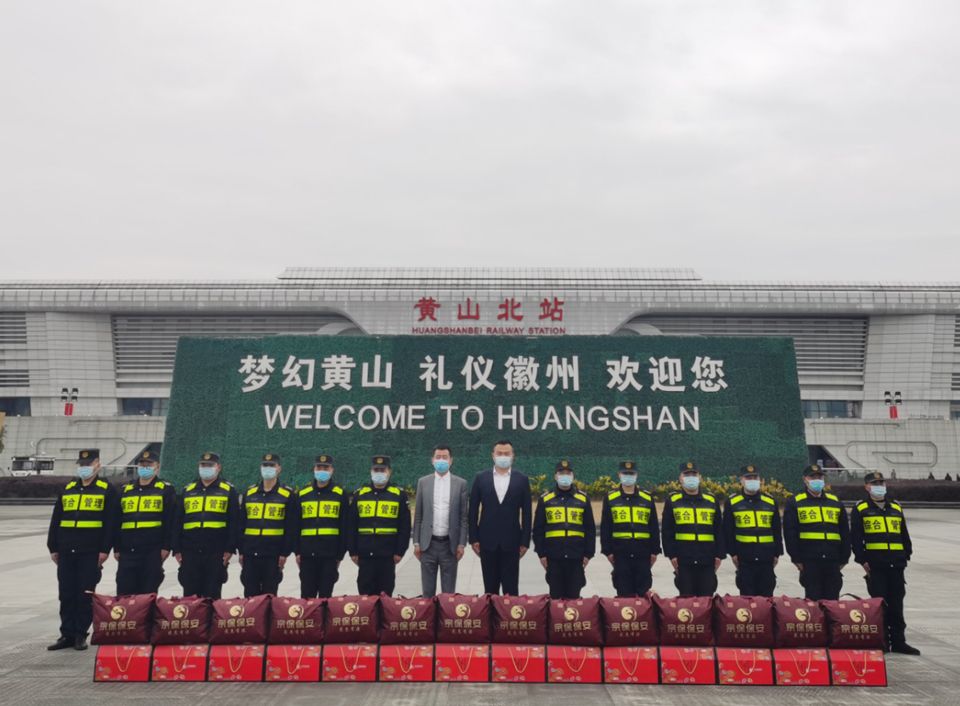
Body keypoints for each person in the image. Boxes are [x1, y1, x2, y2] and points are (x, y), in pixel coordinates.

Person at [46, 449, 117, 651]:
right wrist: (53, 547)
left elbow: (111, 523)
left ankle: (80, 634)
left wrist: (105, 550)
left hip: (90, 551)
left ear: (98, 465)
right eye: (82, 464)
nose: (84, 468)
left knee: (84, 595)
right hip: (66, 550)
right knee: (66, 593)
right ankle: (66, 634)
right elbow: (56, 519)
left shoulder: (106, 489)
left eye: (89, 464)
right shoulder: (68, 488)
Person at [850, 471, 920, 654]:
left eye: (881, 483)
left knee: (896, 605)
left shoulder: (895, 507)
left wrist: (906, 555)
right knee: (879, 606)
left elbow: (904, 534)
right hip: (876, 565)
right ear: (867, 487)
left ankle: (899, 642)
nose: (879, 486)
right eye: (874, 484)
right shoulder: (861, 508)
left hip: (896, 564)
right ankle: (882, 642)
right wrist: (862, 559)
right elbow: (856, 537)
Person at [468, 439, 532, 596]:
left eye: (506, 454)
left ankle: (510, 613)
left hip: (512, 542)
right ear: (493, 455)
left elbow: (527, 512)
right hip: (486, 542)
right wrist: (473, 538)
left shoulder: (522, 479)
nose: (503, 456)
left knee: (511, 590)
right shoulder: (480, 478)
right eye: (499, 453)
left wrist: (525, 541)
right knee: (490, 590)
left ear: (512, 456)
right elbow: (473, 510)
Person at [174, 452, 240, 599]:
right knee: (191, 596)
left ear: (218, 467)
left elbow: (234, 521)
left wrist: (230, 548)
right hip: (190, 550)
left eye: (210, 465)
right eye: (203, 465)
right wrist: (176, 548)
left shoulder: (228, 490)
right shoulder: (188, 490)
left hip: (216, 550)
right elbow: (178, 521)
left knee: (212, 594)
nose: (206, 468)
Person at [113, 450, 177, 595]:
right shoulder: (125, 490)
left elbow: (170, 521)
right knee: (124, 592)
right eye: (142, 464)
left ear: (157, 467)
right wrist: (116, 547)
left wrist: (166, 546)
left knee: (148, 593)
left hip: (152, 550)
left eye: (149, 464)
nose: (145, 467)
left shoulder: (165, 490)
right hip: (127, 550)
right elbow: (117, 521)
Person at [783, 464, 850, 601]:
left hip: (832, 558)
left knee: (832, 600)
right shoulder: (795, 502)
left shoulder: (835, 501)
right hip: (809, 559)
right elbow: (790, 533)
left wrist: (844, 557)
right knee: (813, 600)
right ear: (805, 479)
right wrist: (796, 558)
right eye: (812, 477)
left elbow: (844, 531)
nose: (816, 480)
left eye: (819, 477)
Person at [347, 456, 411, 596]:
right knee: (365, 597)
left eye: (382, 470)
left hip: (387, 555)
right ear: (371, 472)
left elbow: (404, 526)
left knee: (385, 596)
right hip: (365, 555)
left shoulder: (399, 495)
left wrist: (400, 551)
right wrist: (353, 551)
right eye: (376, 470)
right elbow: (351, 525)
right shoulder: (360, 494)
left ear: (389, 472)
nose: (379, 473)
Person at [533, 461, 596, 599]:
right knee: (555, 597)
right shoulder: (545, 499)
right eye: (561, 473)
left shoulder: (583, 499)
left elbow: (590, 528)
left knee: (574, 597)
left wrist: (588, 553)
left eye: (568, 473)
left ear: (573, 476)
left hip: (576, 555)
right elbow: (538, 529)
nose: (565, 476)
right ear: (556, 476)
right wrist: (541, 554)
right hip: (553, 556)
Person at [661, 462, 725, 597]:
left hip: (707, 558)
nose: (691, 477)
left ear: (699, 477)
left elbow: (719, 529)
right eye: (687, 475)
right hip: (683, 559)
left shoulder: (711, 500)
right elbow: (667, 531)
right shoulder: (673, 500)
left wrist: (719, 555)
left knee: (707, 600)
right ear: (680, 478)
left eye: (694, 474)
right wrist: (671, 555)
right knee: (687, 600)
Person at [413, 445, 469, 597]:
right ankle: (429, 614)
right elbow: (418, 515)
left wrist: (461, 544)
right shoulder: (423, 482)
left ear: (451, 461)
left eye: (445, 457)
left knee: (448, 594)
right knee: (427, 593)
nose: (441, 460)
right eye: (438, 457)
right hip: (428, 544)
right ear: (432, 460)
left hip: (449, 545)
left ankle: (445, 614)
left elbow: (463, 517)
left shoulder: (461, 484)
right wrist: (416, 542)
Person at [599, 460, 661, 597]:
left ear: (636, 475)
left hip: (643, 552)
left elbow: (653, 526)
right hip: (620, 553)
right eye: (625, 473)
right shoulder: (611, 498)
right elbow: (606, 527)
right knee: (623, 591)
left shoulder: (647, 498)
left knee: (643, 592)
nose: (628, 476)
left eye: (631, 473)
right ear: (619, 475)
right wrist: (607, 551)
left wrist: (655, 551)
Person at [238, 453, 295, 597]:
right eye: (265, 465)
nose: (268, 468)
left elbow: (290, 527)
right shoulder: (249, 493)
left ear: (279, 469)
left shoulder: (287, 494)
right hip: (250, 552)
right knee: (250, 596)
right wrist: (241, 551)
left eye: (272, 465)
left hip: (273, 554)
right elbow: (241, 524)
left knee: (270, 595)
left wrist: (285, 552)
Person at [723, 465, 783, 597]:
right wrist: (732, 553)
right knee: (747, 597)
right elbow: (728, 530)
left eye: (755, 477)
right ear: (741, 480)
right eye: (748, 478)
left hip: (766, 555)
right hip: (744, 556)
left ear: (760, 480)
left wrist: (777, 553)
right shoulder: (732, 502)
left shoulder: (769, 501)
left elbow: (776, 529)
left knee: (767, 597)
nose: (752, 480)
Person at [294, 454, 348, 598]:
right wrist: (297, 551)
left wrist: (340, 555)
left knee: (326, 597)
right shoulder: (303, 494)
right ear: (314, 469)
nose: (322, 471)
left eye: (326, 468)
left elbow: (344, 526)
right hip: (307, 554)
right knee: (307, 598)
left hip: (329, 555)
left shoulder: (340, 494)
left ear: (332, 470)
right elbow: (296, 525)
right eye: (319, 468)